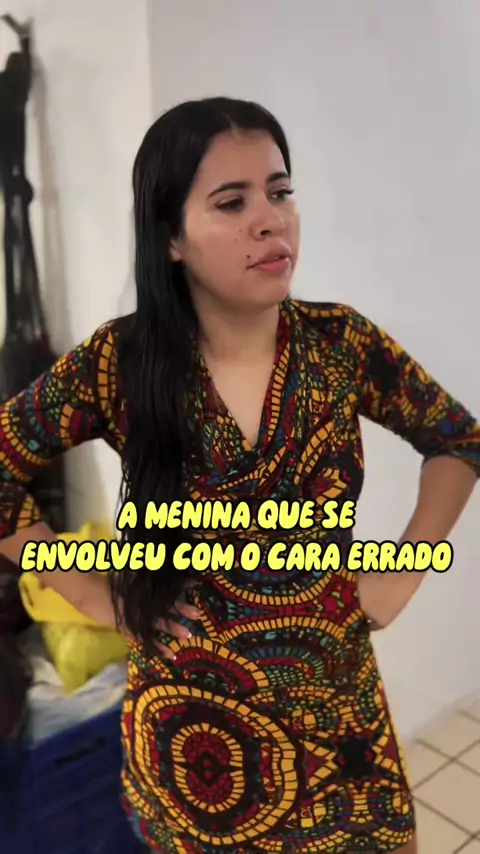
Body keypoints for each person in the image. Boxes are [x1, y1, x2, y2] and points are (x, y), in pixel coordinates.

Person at [0, 97, 479, 854]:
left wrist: (405, 569)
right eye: (232, 202)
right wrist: (96, 595)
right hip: (192, 744)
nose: (271, 220)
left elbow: (456, 438)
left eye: (280, 192)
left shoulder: (340, 346)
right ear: (171, 238)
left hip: (336, 728)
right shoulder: (120, 364)